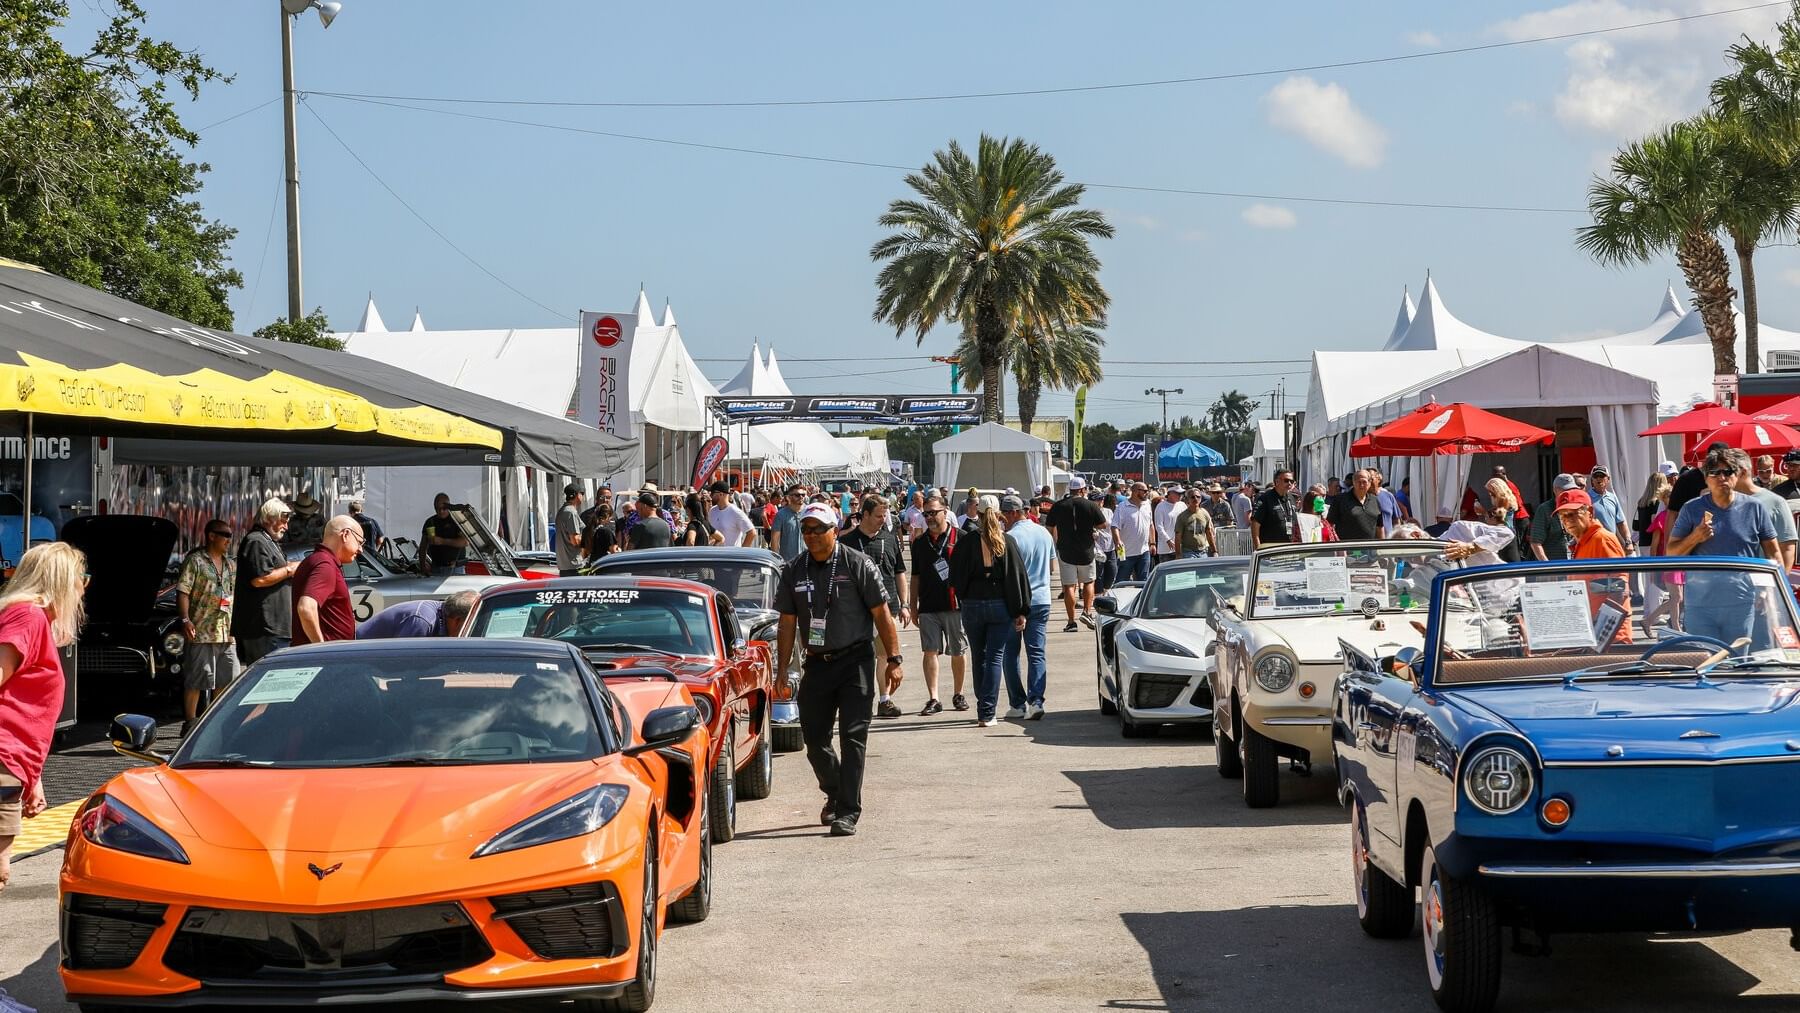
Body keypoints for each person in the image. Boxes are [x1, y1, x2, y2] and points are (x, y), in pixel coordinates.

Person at [774, 503, 903, 838]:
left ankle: (847, 811)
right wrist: (781, 671)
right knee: (815, 740)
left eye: (819, 529)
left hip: (856, 661)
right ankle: (835, 790)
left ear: (835, 529)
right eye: (806, 529)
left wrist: (894, 659)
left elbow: (882, 614)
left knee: (853, 737)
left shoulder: (856, 563)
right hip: (817, 664)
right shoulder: (793, 570)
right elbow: (787, 624)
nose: (812, 536)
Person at [0, 542, 85, 895]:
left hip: (11, 765)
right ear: (60, 581)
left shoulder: (33, 620)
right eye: (82, 578)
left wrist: (32, 778)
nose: (84, 587)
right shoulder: (28, 617)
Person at [1668, 447, 1781, 645]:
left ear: (1737, 476)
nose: (1722, 477)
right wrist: (1695, 537)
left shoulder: (1754, 508)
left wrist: (1765, 589)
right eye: (1715, 472)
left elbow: (1775, 555)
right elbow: (1671, 553)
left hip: (1741, 603)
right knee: (1706, 666)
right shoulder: (1691, 508)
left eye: (1728, 472)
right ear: (1706, 478)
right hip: (1700, 606)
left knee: (1737, 665)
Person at [949, 496, 1029, 727]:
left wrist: (964, 596)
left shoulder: (966, 541)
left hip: (973, 603)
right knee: (995, 656)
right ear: (998, 513)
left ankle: (983, 705)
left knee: (979, 655)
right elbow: (1016, 579)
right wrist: (1020, 610)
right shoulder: (1007, 541)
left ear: (978, 512)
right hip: (999, 604)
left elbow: (955, 577)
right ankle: (987, 711)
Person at [840, 494, 910, 717]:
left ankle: (884, 700)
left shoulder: (890, 540)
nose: (883, 519)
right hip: (856, 610)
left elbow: (899, 573)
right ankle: (856, 701)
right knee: (857, 657)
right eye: (879, 516)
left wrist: (905, 603)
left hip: (886, 607)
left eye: (885, 515)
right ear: (865, 515)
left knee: (884, 656)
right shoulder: (847, 543)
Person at [176, 519, 236, 734]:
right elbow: (183, 591)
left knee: (226, 678)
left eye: (231, 535)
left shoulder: (230, 564)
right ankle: (190, 722)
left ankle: (213, 720)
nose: (229, 539)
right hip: (201, 630)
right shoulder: (196, 561)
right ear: (211, 536)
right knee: (197, 680)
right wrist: (185, 619)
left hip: (226, 631)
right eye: (225, 535)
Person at [908, 496, 967, 715]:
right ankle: (933, 697)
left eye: (934, 512)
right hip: (929, 606)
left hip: (955, 605)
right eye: (926, 514)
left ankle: (958, 693)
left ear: (946, 512)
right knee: (930, 651)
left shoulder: (960, 538)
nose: (930, 518)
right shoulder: (920, 543)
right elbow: (915, 577)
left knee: (957, 651)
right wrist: (912, 606)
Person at [1000, 496, 1054, 721]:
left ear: (1012, 513)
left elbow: (1006, 575)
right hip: (1042, 599)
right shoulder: (1044, 532)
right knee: (1036, 652)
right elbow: (1051, 567)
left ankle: (1018, 703)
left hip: (1017, 601)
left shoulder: (1011, 537)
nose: (1003, 520)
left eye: (1004, 515)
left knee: (1010, 654)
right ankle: (1037, 700)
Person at [231, 497, 299, 667]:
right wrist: (290, 570)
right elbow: (260, 579)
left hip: (273, 628)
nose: (286, 526)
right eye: (283, 521)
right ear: (269, 518)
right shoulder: (256, 541)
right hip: (264, 629)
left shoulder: (268, 541)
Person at [292, 515, 363, 646]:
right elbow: (306, 608)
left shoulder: (317, 560)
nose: (360, 549)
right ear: (346, 534)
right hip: (325, 659)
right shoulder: (325, 564)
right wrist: (320, 649)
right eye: (359, 542)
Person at [1047, 476, 1106, 631]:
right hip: (1086, 550)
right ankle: (1087, 612)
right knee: (1088, 582)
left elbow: (1049, 526)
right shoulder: (1090, 505)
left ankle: (1071, 621)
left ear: (1070, 489)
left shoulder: (1058, 506)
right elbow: (1103, 524)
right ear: (1082, 490)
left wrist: (1057, 540)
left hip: (1066, 550)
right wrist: (1090, 526)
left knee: (1068, 586)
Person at [1737, 463, 1799, 569]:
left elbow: (1787, 546)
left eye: (1795, 465)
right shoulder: (1780, 491)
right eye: (1788, 465)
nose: (1790, 468)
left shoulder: (1775, 499)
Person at [357, 590, 480, 639]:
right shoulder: (423, 621)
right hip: (359, 659)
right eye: (470, 624)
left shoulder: (438, 616)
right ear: (457, 620)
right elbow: (407, 661)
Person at [1530, 474, 1580, 560]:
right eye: (1566, 490)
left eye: (1572, 489)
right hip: (1553, 566)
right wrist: (1547, 566)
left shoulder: (1576, 508)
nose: (1569, 493)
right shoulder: (1544, 509)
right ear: (1555, 490)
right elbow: (1535, 542)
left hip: (1572, 565)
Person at [1115, 482, 1155, 583]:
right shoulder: (1122, 507)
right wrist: (1118, 541)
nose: (1147, 493)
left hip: (1144, 551)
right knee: (1122, 581)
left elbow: (1151, 525)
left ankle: (1141, 599)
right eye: (1145, 491)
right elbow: (1115, 526)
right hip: (1126, 552)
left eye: (1148, 491)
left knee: (1144, 582)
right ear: (1135, 491)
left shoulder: (1147, 505)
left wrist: (1153, 543)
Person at [419, 493, 469, 575]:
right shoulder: (430, 522)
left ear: (448, 506)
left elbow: (465, 542)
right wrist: (422, 566)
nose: (441, 511)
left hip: (455, 568)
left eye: (443, 508)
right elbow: (423, 547)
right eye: (437, 508)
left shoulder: (456, 520)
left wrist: (442, 541)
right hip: (436, 567)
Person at [1328, 469, 1383, 541]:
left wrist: (1381, 547)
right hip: (1346, 548)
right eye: (1358, 482)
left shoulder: (1375, 500)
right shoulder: (1340, 500)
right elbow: (1329, 525)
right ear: (1353, 483)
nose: (1362, 485)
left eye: (1364, 482)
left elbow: (1380, 527)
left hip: (1370, 548)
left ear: (1369, 483)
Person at [1588, 466, 1631, 550]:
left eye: (1602, 476)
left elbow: (1621, 522)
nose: (1598, 479)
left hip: (1611, 544)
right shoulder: (1587, 498)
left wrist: (1628, 541)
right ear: (1592, 480)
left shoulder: (1612, 497)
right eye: (1596, 476)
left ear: (1608, 479)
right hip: (1593, 545)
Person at [1253, 471, 1299, 548]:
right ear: (1277, 481)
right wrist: (1258, 548)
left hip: (1290, 547)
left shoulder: (1292, 498)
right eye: (1286, 480)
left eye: (1292, 481)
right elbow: (1255, 524)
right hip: (1271, 549)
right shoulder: (1265, 498)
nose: (1290, 483)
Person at [708, 481, 756, 548]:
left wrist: (741, 553)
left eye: (712, 493)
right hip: (715, 556)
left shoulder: (735, 512)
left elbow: (752, 532)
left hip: (730, 557)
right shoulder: (712, 511)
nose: (710, 496)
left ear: (721, 494)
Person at [1174, 487, 1218, 557]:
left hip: (1203, 551)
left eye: (1198, 497)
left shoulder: (1204, 513)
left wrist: (1214, 551)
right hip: (1188, 552)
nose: (1195, 499)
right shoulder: (1182, 516)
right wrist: (1178, 554)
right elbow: (1177, 537)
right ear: (1188, 500)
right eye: (1192, 497)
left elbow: (1209, 533)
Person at [1152, 485, 1186, 569]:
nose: (1180, 495)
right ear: (1170, 493)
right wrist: (1168, 540)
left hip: (1181, 547)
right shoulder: (1160, 507)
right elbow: (1159, 526)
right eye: (1178, 493)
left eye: (1181, 493)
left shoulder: (1182, 505)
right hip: (1165, 549)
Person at [555, 483, 585, 576]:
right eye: (582, 493)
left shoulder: (562, 511)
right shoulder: (570, 512)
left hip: (565, 565)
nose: (583, 496)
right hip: (574, 565)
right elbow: (575, 540)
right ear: (577, 495)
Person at [1094, 493, 1120, 597]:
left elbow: (1114, 526)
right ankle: (1099, 595)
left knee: (1112, 571)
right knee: (1099, 574)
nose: (1100, 502)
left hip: (1110, 546)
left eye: (1101, 499)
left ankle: (1106, 591)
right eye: (1098, 500)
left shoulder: (1108, 511)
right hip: (1098, 548)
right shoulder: (1091, 511)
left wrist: (1118, 540)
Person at [771, 486, 805, 562]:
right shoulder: (781, 515)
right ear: (789, 497)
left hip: (807, 561)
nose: (801, 497)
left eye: (803, 495)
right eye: (797, 495)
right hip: (788, 562)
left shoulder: (809, 513)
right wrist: (777, 561)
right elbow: (774, 540)